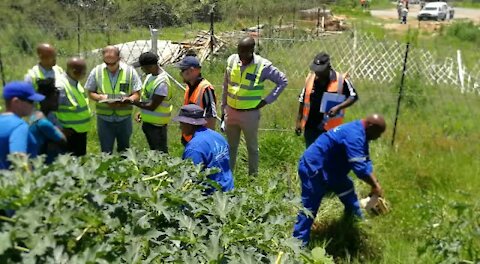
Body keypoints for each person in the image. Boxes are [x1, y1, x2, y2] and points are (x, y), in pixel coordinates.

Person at [293, 114, 386, 245]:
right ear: (371, 126)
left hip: (332, 170)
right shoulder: (355, 135)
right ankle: (298, 245)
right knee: (309, 208)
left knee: (347, 190)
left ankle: (355, 223)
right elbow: (359, 168)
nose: (379, 137)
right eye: (379, 133)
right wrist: (375, 186)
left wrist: (376, 183)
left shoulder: (361, 131)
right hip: (314, 168)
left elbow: (365, 159)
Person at [222, 37, 288, 175]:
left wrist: (266, 101)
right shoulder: (231, 60)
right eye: (239, 52)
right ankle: (228, 178)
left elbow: (282, 81)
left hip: (249, 114)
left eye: (244, 53)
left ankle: (253, 178)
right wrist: (223, 109)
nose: (241, 56)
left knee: (251, 147)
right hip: (231, 112)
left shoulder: (263, 66)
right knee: (230, 147)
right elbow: (226, 86)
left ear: (252, 51)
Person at [85, 46, 141, 154]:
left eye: (113, 63)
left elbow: (137, 94)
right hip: (104, 119)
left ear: (119, 58)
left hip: (124, 118)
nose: (110, 66)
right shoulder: (97, 71)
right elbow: (91, 92)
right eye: (107, 63)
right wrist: (100, 98)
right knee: (106, 152)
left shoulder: (130, 71)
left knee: (125, 151)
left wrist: (128, 100)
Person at [295, 52, 358, 148]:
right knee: (312, 155)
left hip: (330, 128)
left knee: (327, 157)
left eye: (320, 70)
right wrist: (298, 122)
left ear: (328, 67)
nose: (317, 73)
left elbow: (353, 96)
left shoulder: (341, 81)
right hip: (310, 126)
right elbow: (302, 100)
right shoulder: (310, 79)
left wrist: (339, 107)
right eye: (316, 70)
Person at [173, 104, 234, 193]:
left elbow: (190, 178)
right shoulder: (218, 136)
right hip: (228, 188)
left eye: (181, 123)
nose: (180, 127)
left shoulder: (194, 148)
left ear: (189, 124)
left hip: (212, 196)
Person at [131, 52, 172, 153]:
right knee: (153, 153)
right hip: (149, 123)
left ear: (151, 66)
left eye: (143, 67)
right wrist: (142, 112)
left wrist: (133, 102)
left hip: (157, 126)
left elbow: (152, 106)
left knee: (160, 154)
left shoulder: (162, 82)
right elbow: (147, 99)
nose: (142, 69)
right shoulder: (150, 76)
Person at [0, 81, 45, 170]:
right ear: (16, 101)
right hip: (15, 182)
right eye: (31, 101)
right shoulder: (19, 126)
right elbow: (18, 157)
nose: (34, 105)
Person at [55, 57, 92, 156]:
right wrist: (59, 129)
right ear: (75, 71)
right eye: (83, 73)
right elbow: (50, 110)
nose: (84, 75)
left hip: (79, 132)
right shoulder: (61, 86)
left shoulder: (75, 82)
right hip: (68, 134)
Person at [176, 54, 217, 130]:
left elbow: (211, 116)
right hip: (189, 136)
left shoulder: (205, 88)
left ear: (191, 70)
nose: (181, 74)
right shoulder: (189, 87)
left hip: (200, 137)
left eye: (182, 71)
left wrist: (207, 138)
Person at [29, 79, 66, 164]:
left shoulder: (35, 115)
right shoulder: (43, 123)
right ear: (44, 100)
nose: (57, 103)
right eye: (54, 100)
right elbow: (63, 140)